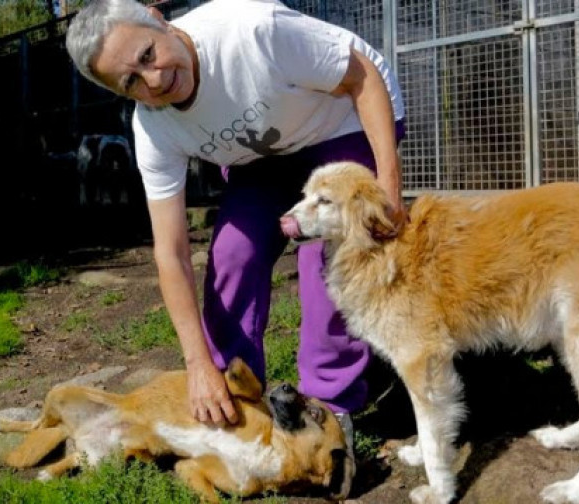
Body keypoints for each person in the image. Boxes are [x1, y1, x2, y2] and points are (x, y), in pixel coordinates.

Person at [66, 0, 405, 446]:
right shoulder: (153, 128)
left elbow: (362, 77)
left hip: (342, 122)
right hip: (261, 157)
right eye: (131, 81)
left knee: (323, 260)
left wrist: (389, 190)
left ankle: (330, 406)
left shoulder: (252, 30)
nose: (155, 79)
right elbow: (171, 253)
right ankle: (236, 396)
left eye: (148, 54)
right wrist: (197, 364)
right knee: (232, 253)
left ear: (158, 19)